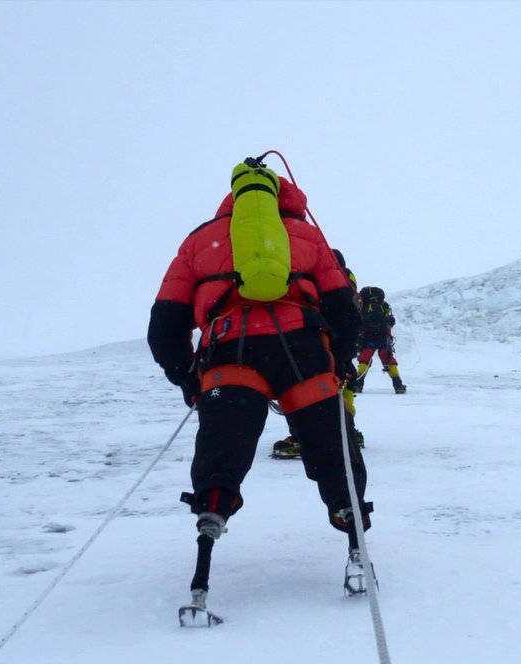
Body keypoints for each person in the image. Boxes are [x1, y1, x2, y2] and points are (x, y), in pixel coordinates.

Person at [148, 162, 373, 611]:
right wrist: (342, 361)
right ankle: (352, 529)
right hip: (303, 349)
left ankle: (209, 528)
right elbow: (345, 309)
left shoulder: (201, 240)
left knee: (223, 447)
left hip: (230, 350)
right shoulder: (306, 236)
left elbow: (165, 323)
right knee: (331, 442)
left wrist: (188, 376)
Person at [272, 249, 365, 459]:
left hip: (315, 343)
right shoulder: (346, 280)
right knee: (341, 383)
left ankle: (300, 437)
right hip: (343, 343)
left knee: (302, 389)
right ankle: (349, 432)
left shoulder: (312, 279)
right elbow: (351, 316)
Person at [351, 286, 406, 394]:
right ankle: (398, 385)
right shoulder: (384, 305)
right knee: (388, 359)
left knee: (365, 359)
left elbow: (357, 319)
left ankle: (358, 385)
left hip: (367, 337)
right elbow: (390, 321)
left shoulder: (364, 306)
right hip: (382, 337)